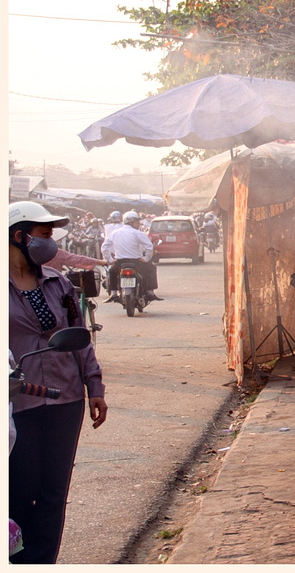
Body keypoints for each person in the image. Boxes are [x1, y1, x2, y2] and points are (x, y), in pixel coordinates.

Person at [8, 201, 108, 563]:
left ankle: (43, 561)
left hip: (66, 398)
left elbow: (78, 334)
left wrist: (94, 386)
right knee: (18, 489)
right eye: (44, 235)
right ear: (19, 236)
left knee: (53, 491)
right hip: (17, 402)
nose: (50, 243)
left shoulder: (58, 282)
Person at [101, 210, 163, 302]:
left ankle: (113, 293)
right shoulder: (138, 233)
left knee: (112, 271)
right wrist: (146, 259)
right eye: (137, 222)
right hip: (136, 262)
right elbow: (149, 247)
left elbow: (104, 247)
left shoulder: (115, 233)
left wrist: (110, 259)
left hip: (120, 262)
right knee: (151, 268)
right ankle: (150, 292)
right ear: (131, 222)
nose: (139, 224)